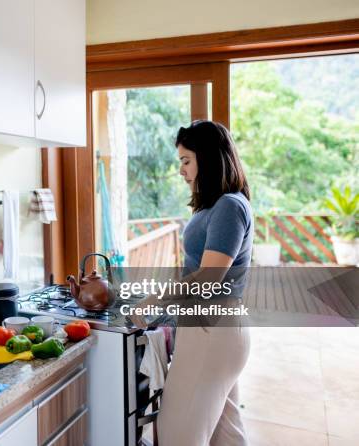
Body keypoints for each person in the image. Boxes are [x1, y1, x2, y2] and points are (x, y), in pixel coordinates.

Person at [131, 120, 254, 446]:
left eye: (187, 161)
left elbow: (210, 277)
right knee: (226, 436)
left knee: (177, 436)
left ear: (209, 159)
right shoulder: (220, 205)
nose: (182, 170)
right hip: (214, 330)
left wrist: (157, 299)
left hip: (212, 332)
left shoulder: (229, 206)